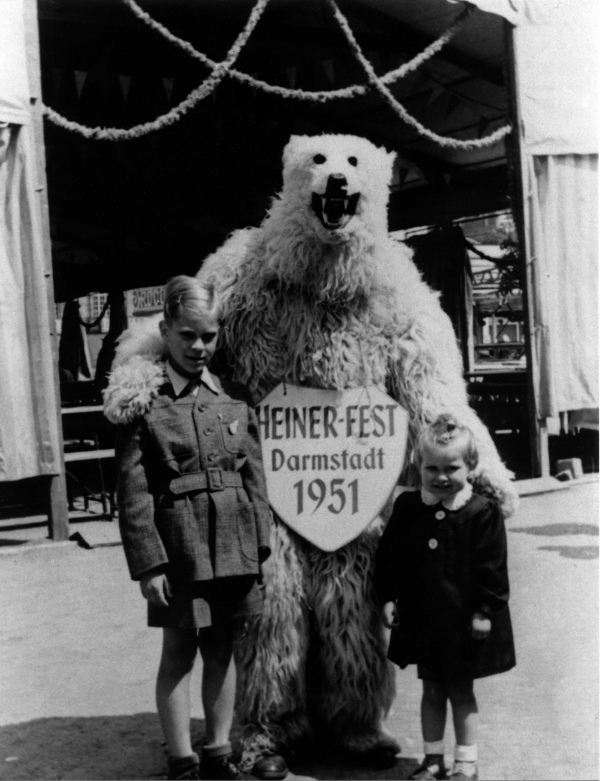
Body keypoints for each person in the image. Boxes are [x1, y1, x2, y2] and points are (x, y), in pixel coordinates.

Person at [111, 276, 272, 780]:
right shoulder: (147, 401)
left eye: (208, 335)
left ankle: (218, 753)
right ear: (165, 330)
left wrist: (261, 544)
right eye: (186, 335)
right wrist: (149, 564)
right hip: (179, 550)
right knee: (179, 652)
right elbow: (134, 493)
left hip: (234, 546)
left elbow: (256, 477)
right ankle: (181, 759)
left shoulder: (234, 396)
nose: (199, 347)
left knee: (222, 647)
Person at [374, 414, 516, 781]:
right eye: (431, 467)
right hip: (424, 618)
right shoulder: (408, 508)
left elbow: (493, 567)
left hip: (464, 621)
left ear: (469, 466)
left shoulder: (481, 511)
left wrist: (484, 610)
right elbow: (390, 557)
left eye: (451, 468)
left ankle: (466, 763)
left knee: (461, 691)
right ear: (418, 466)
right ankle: (433, 759)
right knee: (432, 689)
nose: (440, 476)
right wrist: (388, 598)